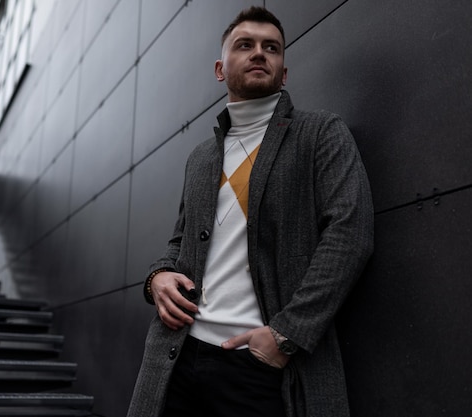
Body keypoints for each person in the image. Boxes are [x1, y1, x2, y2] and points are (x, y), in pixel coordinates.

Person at [127, 6, 373, 417]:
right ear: (221, 69)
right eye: (246, 45)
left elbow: (351, 235)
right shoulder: (201, 157)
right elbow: (179, 243)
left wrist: (285, 335)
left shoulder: (320, 134)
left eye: (271, 47)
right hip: (176, 356)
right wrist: (158, 277)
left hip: (261, 365)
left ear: (284, 71)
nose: (259, 53)